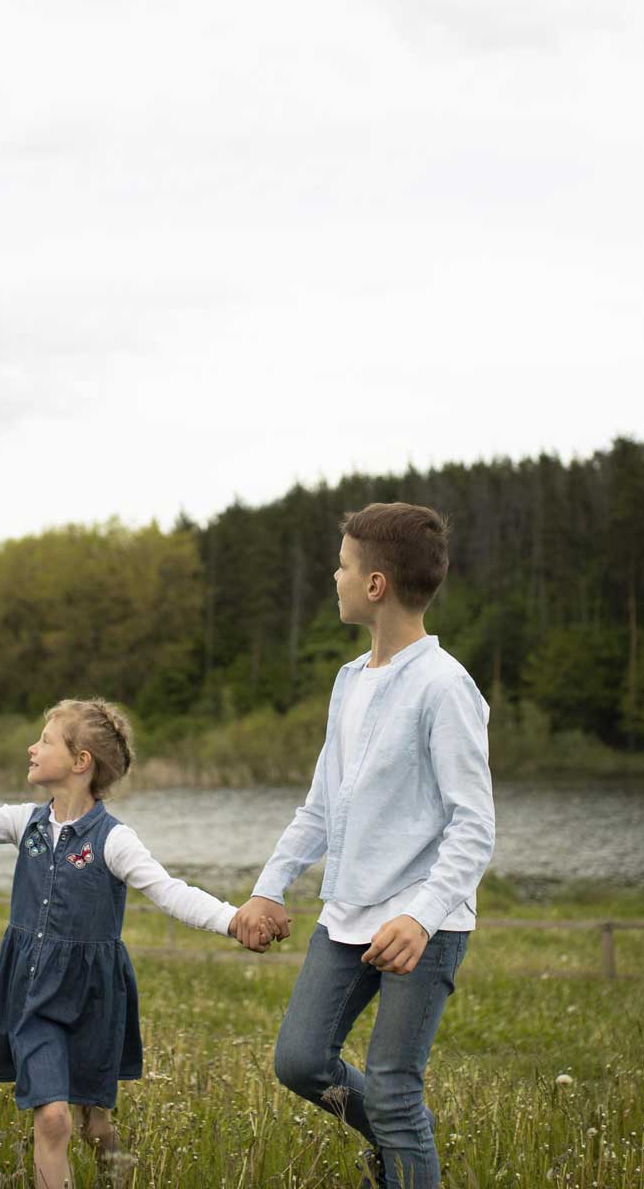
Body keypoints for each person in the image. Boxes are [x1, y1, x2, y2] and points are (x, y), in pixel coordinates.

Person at [0, 698, 269, 1189]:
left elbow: (170, 892)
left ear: (80, 761)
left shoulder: (114, 840)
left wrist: (232, 919)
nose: (32, 747)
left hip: (94, 996)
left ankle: (120, 1180)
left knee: (95, 1125)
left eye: (45, 740)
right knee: (53, 1119)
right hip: (32, 992)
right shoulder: (23, 823)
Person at [232, 502, 495, 1189]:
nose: (335, 575)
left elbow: (474, 825)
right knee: (299, 1060)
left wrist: (423, 914)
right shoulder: (349, 682)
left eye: (345, 564)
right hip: (348, 916)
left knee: (395, 1085)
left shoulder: (445, 688)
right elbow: (322, 805)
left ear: (375, 585)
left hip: (421, 925)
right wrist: (269, 884)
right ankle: (405, 1148)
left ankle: (405, 1150)